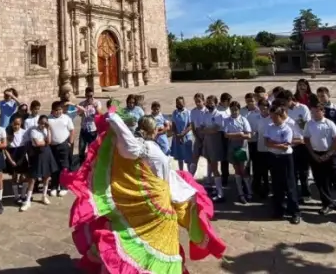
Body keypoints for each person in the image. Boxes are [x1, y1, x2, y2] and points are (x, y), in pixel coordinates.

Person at [62, 108, 226, 272]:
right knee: (156, 239)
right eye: (157, 129)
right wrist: (115, 120)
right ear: (153, 130)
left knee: (141, 235)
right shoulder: (147, 148)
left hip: (156, 196)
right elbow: (133, 149)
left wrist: (115, 120)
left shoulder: (144, 146)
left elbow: (132, 147)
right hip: (157, 200)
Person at [264, 102, 302, 224]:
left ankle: (295, 212)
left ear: (281, 116)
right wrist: (277, 144)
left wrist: (274, 143)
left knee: (290, 186)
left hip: (285, 158)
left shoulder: (287, 128)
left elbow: (285, 146)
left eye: (275, 116)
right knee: (276, 185)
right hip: (273, 157)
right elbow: (266, 142)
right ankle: (278, 210)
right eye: (271, 116)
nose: (273, 119)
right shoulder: (269, 127)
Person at [21, 114, 58, 211]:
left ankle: (44, 196)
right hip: (37, 155)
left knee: (46, 176)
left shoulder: (46, 130)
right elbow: (38, 143)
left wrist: (48, 130)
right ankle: (28, 200)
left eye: (45, 123)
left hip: (46, 154)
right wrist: (45, 142)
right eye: (41, 123)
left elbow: (49, 141)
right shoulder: (33, 130)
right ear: (38, 122)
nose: (43, 125)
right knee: (32, 178)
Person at [281, 89, 312, 201]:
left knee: (303, 170)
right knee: (292, 171)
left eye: (284, 102)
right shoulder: (283, 110)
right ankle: (293, 193)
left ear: (290, 99)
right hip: (289, 144)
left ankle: (305, 192)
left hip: (301, 143)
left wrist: (298, 120)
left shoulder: (302, 108)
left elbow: (307, 125)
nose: (283, 105)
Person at [223, 101, 253, 204]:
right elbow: (226, 135)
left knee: (243, 169)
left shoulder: (243, 120)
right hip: (232, 148)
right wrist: (239, 134)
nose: (234, 112)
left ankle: (249, 191)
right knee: (236, 169)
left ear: (239, 110)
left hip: (241, 148)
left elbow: (248, 135)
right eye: (232, 110)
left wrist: (237, 135)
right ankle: (240, 193)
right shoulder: (227, 120)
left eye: (236, 109)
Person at [201, 94, 226, 202]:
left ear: (216, 103)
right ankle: (216, 188)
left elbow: (216, 129)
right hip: (207, 141)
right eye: (207, 102)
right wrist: (207, 130)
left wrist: (207, 130)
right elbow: (201, 127)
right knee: (210, 164)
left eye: (211, 102)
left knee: (215, 167)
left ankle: (221, 193)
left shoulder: (219, 115)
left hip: (215, 142)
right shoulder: (205, 114)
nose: (208, 104)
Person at [47, 100, 75, 197]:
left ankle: (64, 186)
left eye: (60, 110)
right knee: (54, 167)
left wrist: (70, 143)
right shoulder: (48, 119)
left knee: (64, 166)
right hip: (52, 146)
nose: (58, 112)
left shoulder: (66, 118)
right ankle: (54, 186)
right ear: (52, 111)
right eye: (56, 110)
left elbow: (72, 130)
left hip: (64, 144)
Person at [243, 93, 266, 199]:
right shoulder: (243, 111)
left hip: (257, 142)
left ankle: (257, 186)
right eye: (248, 101)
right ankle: (246, 187)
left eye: (252, 100)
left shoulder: (259, 112)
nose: (250, 103)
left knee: (258, 167)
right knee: (245, 166)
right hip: (245, 142)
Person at [317, 87, 336, 168]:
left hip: (335, 140)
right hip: (322, 139)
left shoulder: (335, 108)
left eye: (323, 96)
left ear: (328, 95)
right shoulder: (317, 109)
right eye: (319, 96)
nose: (321, 98)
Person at [6, 115, 29, 204]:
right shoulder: (8, 134)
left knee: (24, 176)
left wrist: (24, 157)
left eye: (18, 124)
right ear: (11, 123)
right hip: (12, 156)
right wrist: (10, 160)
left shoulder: (24, 132)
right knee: (14, 176)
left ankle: (23, 195)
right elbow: (6, 149)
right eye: (14, 124)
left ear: (21, 124)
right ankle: (16, 196)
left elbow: (26, 147)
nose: (16, 126)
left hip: (22, 155)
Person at [171, 96, 194, 172]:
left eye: (180, 103)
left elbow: (190, 125)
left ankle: (190, 174)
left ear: (184, 104)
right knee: (180, 157)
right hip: (177, 137)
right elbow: (173, 125)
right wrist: (176, 134)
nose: (179, 105)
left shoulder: (188, 113)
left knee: (188, 157)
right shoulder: (175, 113)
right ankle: (181, 172)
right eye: (177, 103)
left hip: (187, 137)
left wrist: (183, 133)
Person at [78, 87, 100, 159]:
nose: (89, 98)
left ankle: (91, 162)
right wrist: (83, 108)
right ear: (85, 95)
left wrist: (95, 107)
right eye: (88, 96)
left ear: (93, 95)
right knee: (81, 147)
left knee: (92, 147)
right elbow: (79, 114)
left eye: (91, 96)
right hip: (84, 128)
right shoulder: (82, 103)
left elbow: (99, 114)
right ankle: (81, 162)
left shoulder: (97, 103)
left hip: (92, 129)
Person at [189, 93, 207, 177]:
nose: (198, 103)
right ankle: (191, 176)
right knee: (195, 156)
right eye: (196, 101)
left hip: (207, 135)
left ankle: (209, 178)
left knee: (209, 157)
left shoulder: (207, 111)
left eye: (199, 101)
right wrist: (197, 137)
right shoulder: (193, 111)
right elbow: (193, 126)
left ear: (203, 101)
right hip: (198, 134)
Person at [217, 93, 232, 187]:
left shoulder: (230, 108)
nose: (230, 103)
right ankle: (224, 176)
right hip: (222, 134)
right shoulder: (218, 111)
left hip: (232, 133)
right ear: (224, 101)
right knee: (224, 157)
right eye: (228, 101)